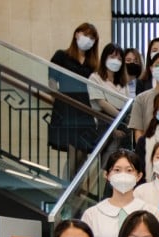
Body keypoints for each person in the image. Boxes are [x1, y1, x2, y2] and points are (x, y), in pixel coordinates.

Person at [80, 150, 156, 237]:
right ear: (107, 175)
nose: (123, 175)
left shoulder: (150, 212)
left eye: (129, 170)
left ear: (139, 176)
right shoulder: (92, 215)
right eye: (117, 170)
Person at [48, 23, 100, 176]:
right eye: (86, 35)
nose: (88, 40)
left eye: (92, 38)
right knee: (73, 153)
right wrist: (59, 100)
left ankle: (74, 190)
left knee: (83, 155)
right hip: (67, 109)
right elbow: (51, 83)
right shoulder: (61, 56)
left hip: (85, 110)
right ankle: (67, 190)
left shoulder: (93, 64)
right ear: (77, 34)